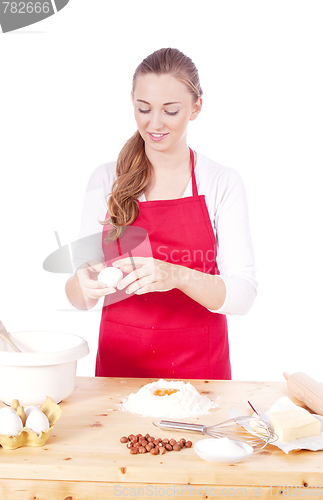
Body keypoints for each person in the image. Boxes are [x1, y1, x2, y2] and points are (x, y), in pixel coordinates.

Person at [65, 47, 257, 380]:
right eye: (144, 108)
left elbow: (244, 295)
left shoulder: (221, 182)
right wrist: (84, 284)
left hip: (200, 374)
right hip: (119, 373)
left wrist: (175, 275)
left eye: (170, 111)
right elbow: (80, 298)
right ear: (132, 102)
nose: (154, 123)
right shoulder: (105, 179)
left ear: (196, 107)